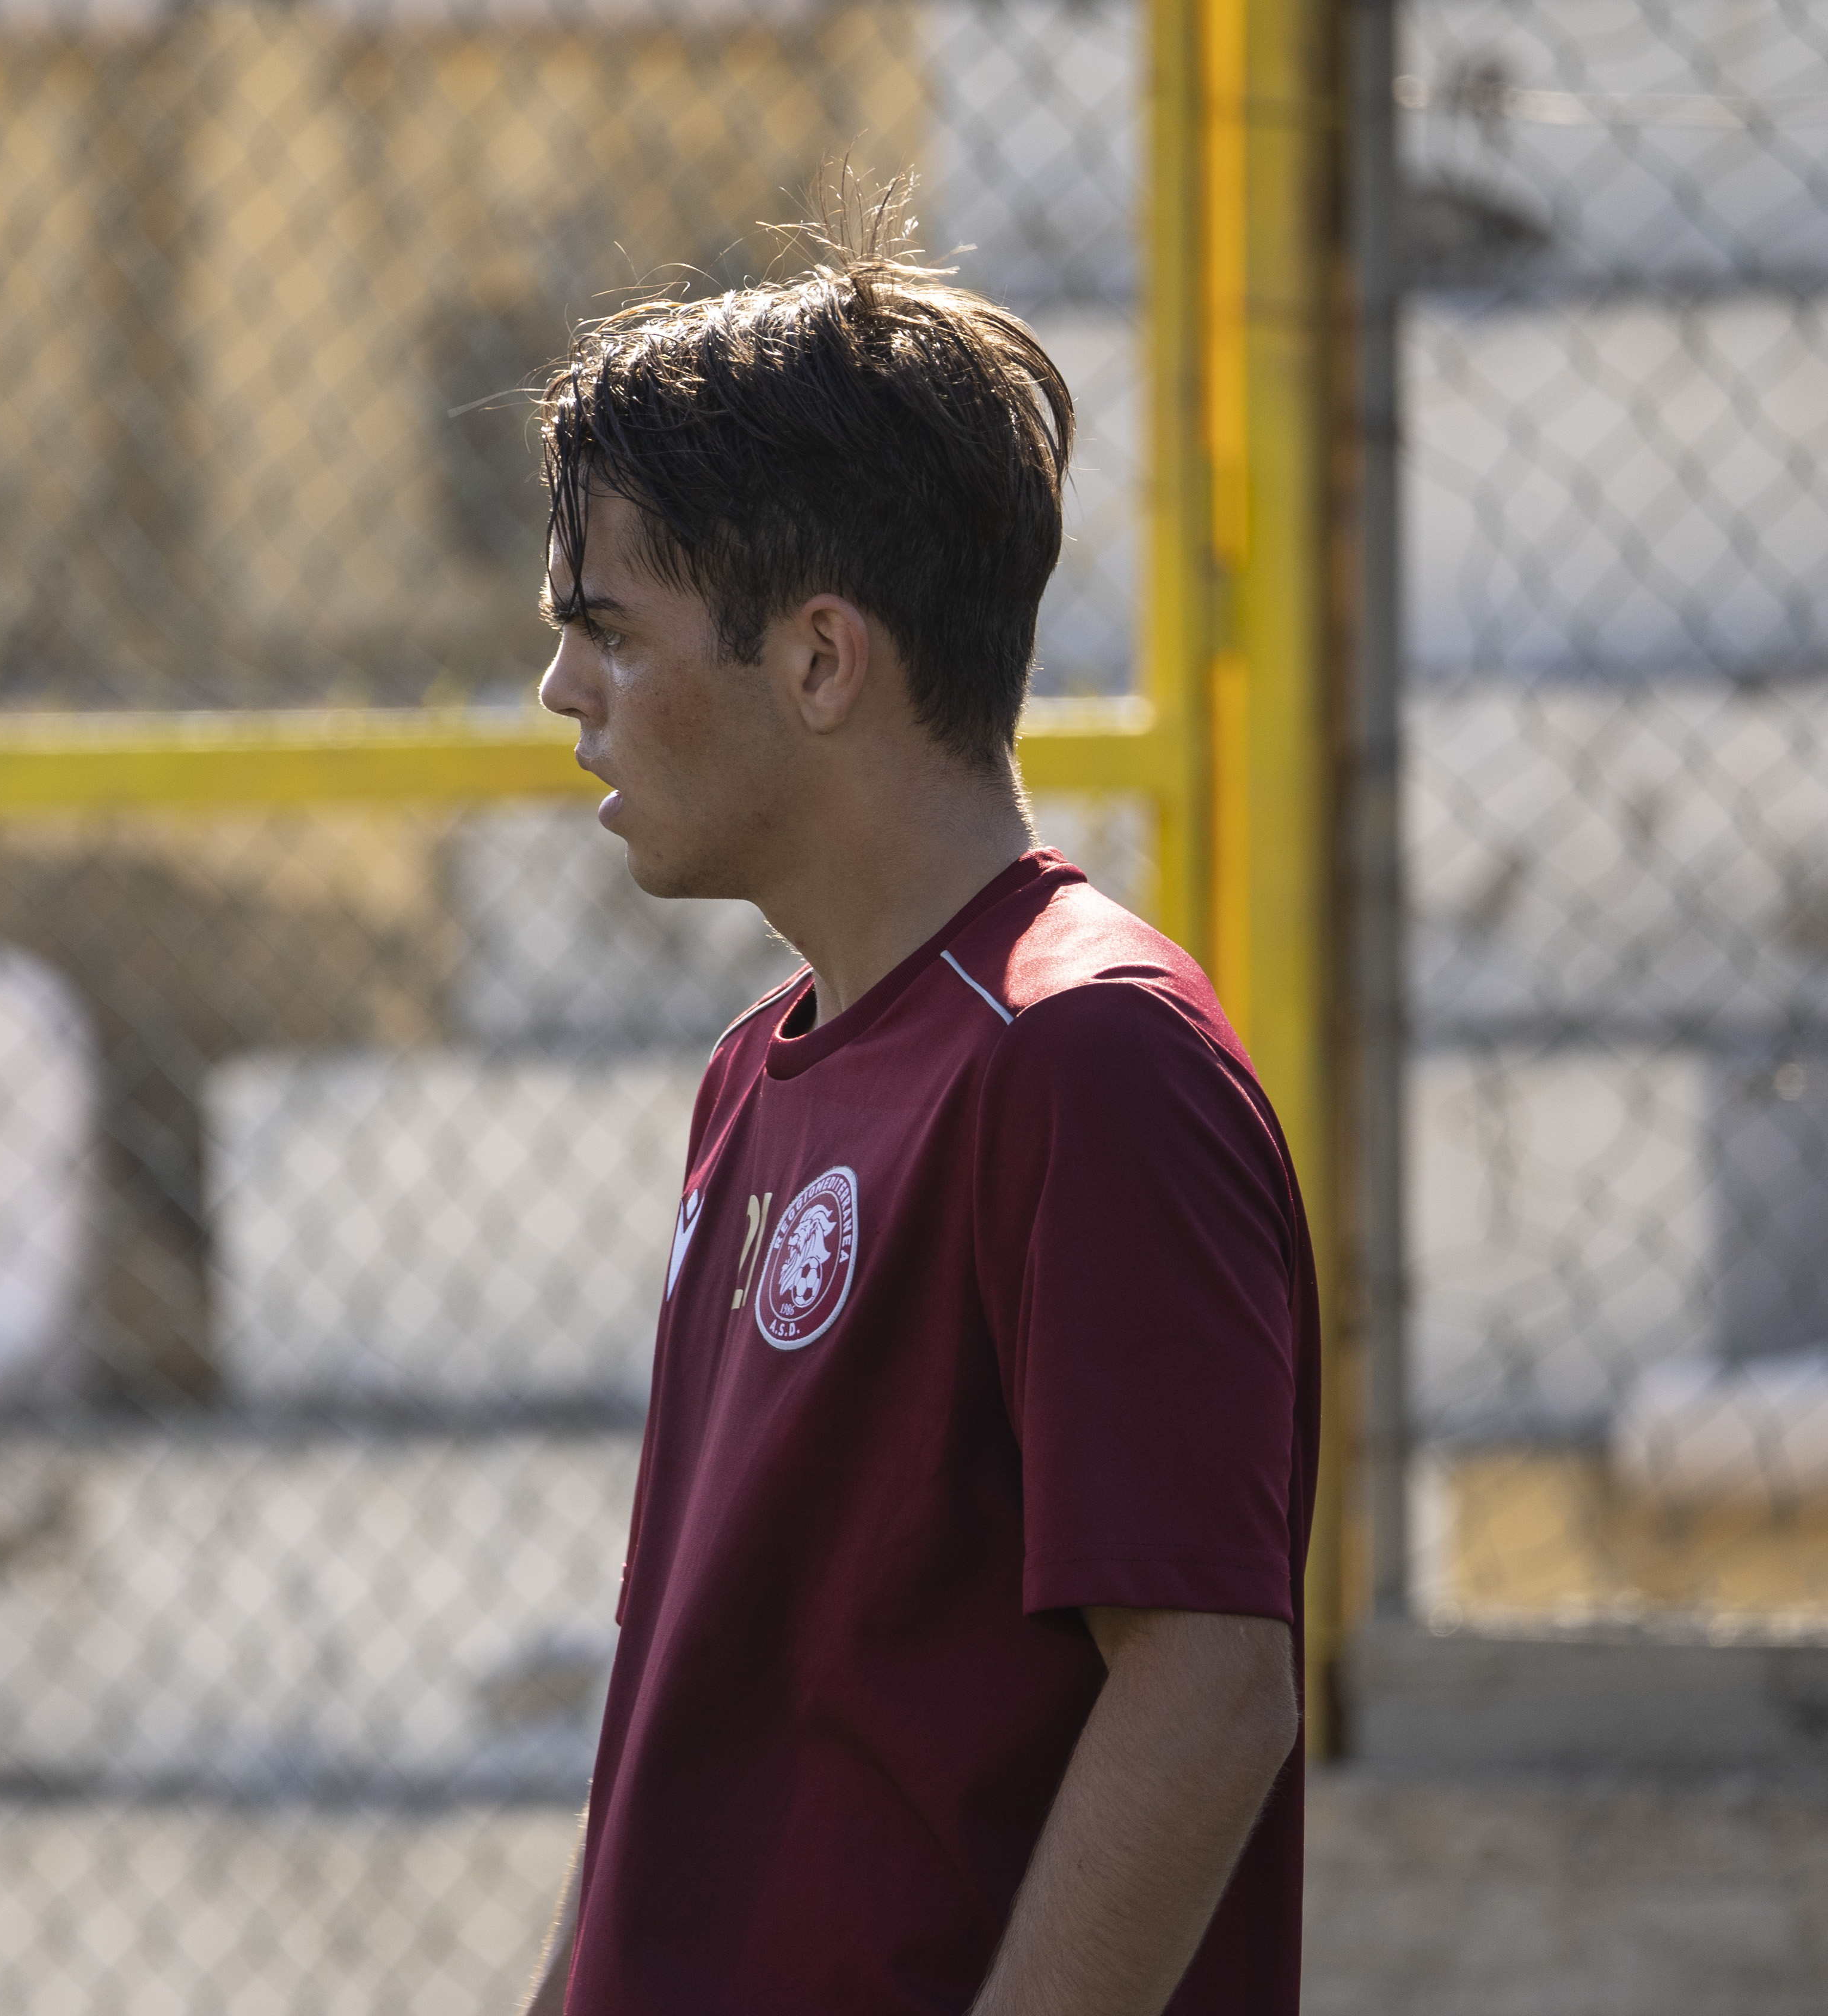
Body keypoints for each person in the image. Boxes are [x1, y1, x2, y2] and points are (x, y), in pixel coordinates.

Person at [517, 188, 1320, 2016]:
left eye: (611, 629)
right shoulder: (756, 1073)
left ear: (819, 659)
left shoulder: (1087, 1061)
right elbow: (683, 1718)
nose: (563, 689)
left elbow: (1208, 1687)